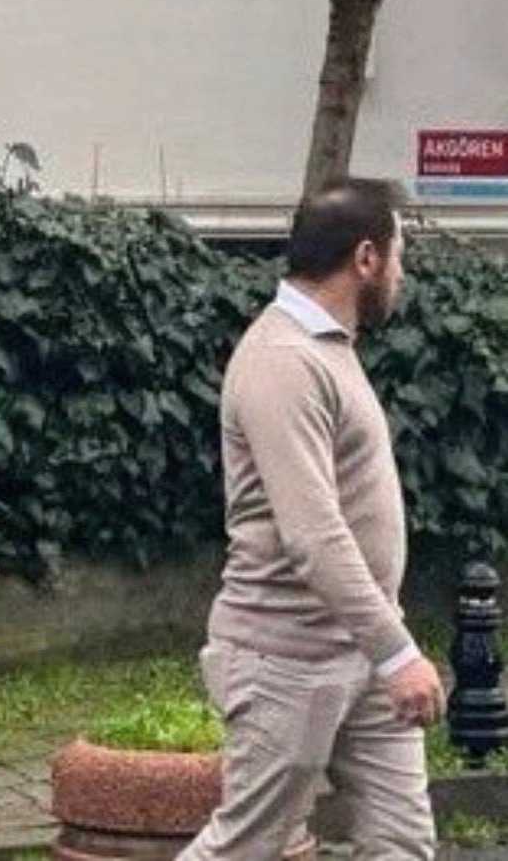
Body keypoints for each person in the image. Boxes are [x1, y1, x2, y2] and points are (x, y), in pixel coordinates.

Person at [179, 178, 443, 859]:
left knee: (403, 843)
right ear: (366, 258)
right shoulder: (283, 360)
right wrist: (399, 652)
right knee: (247, 845)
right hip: (287, 658)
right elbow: (312, 533)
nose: (401, 273)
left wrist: (383, 646)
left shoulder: (327, 347)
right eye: (398, 254)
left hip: (362, 651)